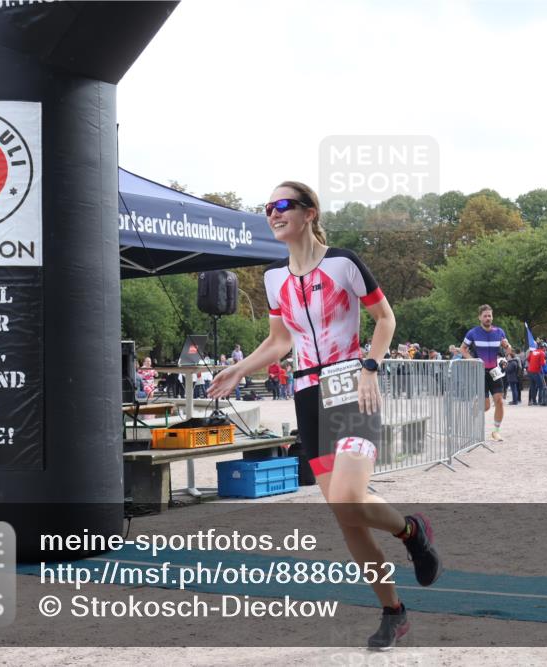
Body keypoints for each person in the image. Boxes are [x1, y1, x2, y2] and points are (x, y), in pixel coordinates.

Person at [206, 181, 441, 649]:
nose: (273, 213)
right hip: (307, 394)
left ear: (309, 213)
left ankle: (412, 531)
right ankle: (393, 611)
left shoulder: (343, 262)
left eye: (283, 205)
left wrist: (371, 366)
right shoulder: (274, 278)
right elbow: (279, 342)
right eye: (267, 207)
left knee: (352, 499)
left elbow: (385, 319)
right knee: (346, 517)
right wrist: (237, 369)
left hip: (350, 385)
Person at [460, 304, 513, 440]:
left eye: (490, 316)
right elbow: (463, 349)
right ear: (480, 318)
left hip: (495, 371)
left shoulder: (499, 332)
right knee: (486, 406)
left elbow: (507, 348)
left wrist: (507, 351)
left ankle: (496, 431)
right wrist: (472, 360)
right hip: (480, 371)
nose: (488, 318)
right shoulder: (473, 332)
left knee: (499, 401)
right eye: (485, 316)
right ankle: (471, 420)